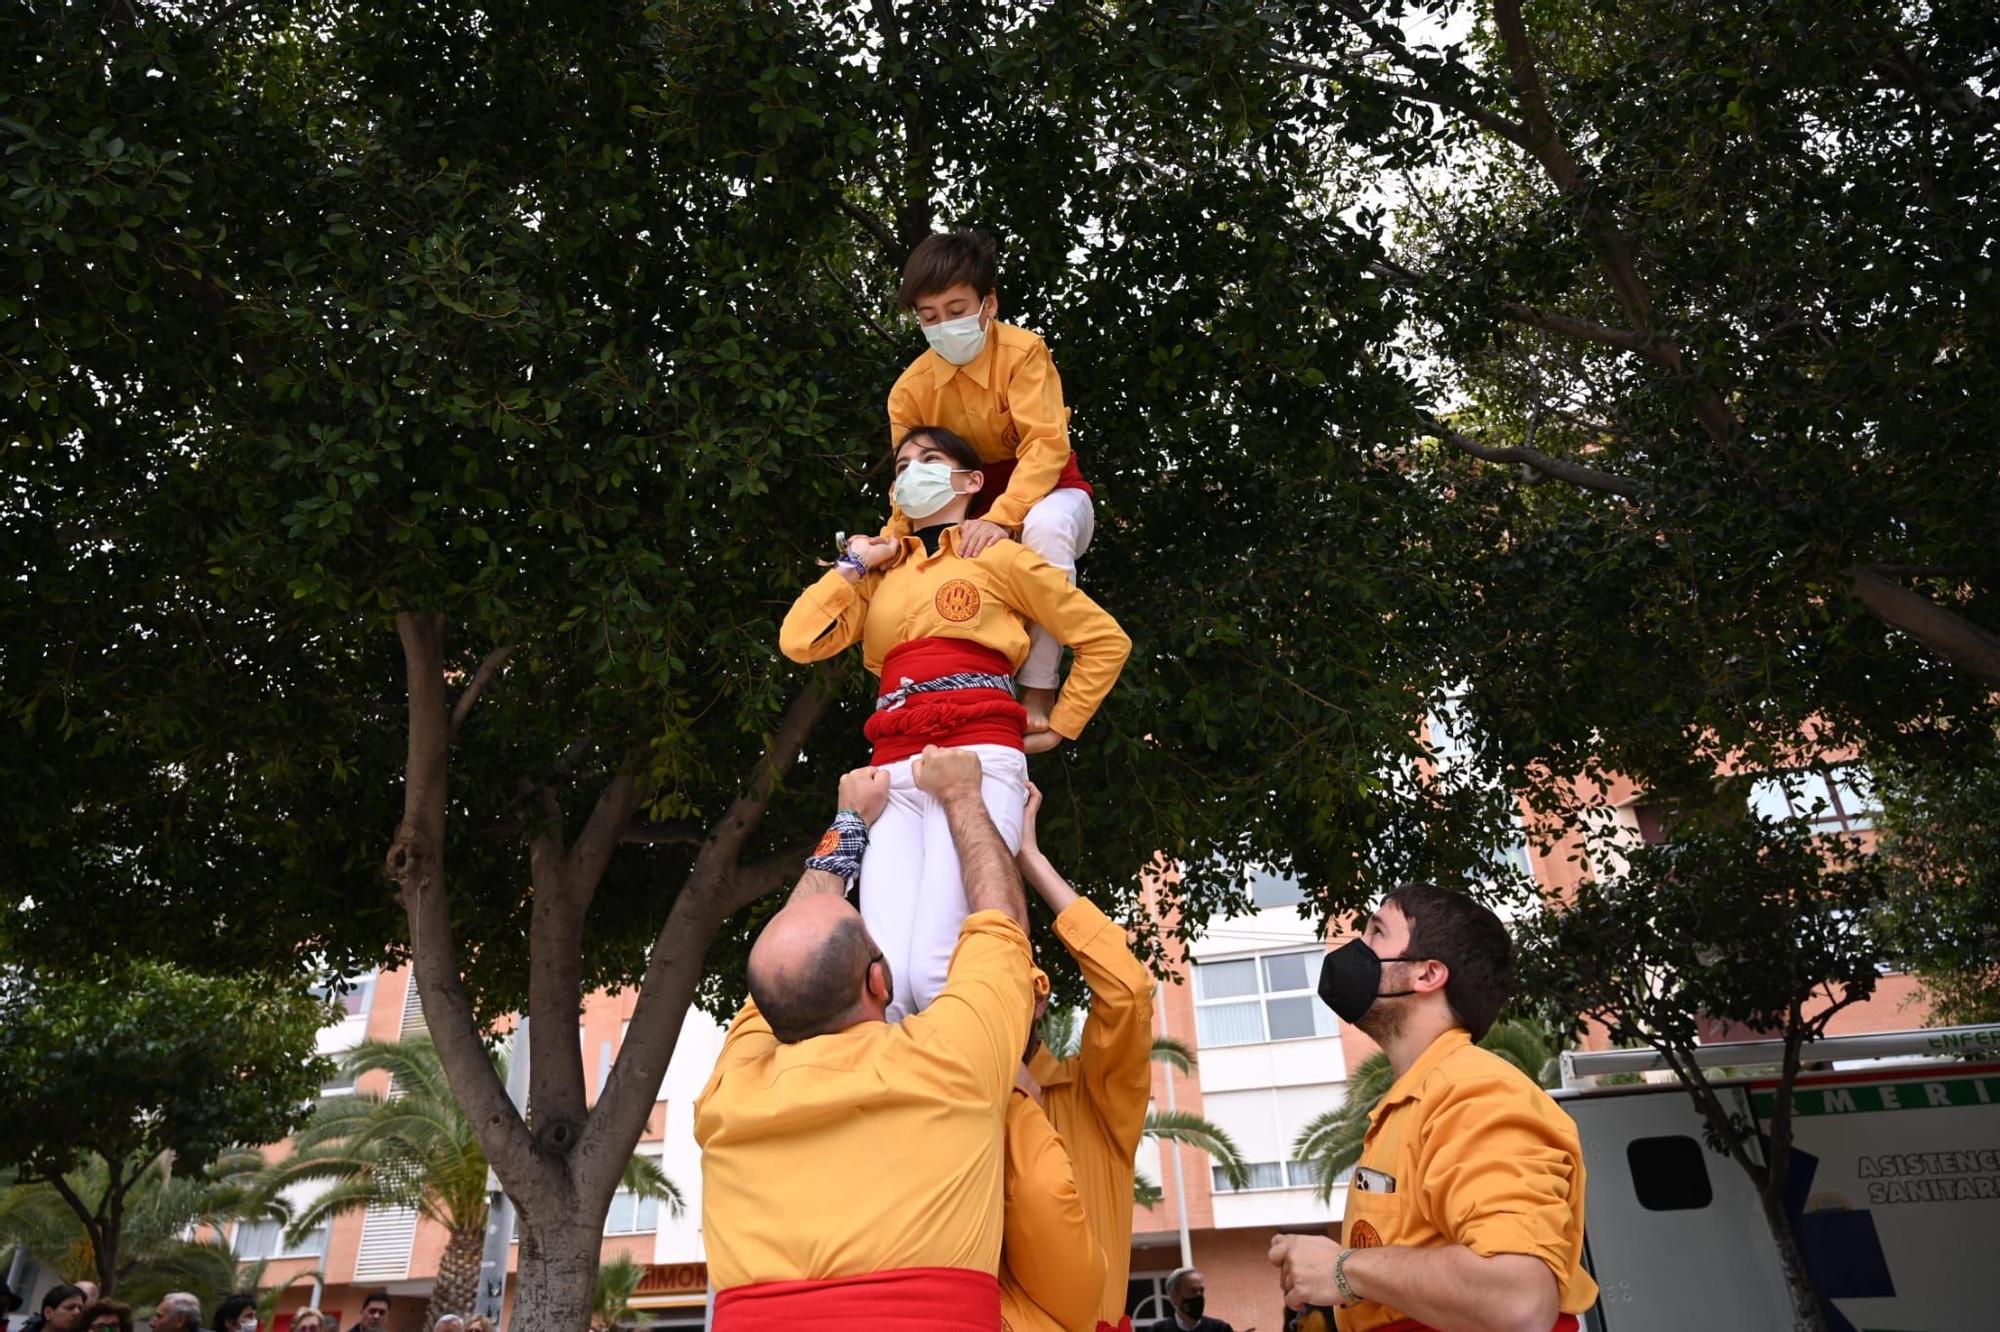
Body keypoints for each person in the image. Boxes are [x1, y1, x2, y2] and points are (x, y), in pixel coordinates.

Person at [783, 424, 1129, 1018]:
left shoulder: (999, 554)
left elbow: (1103, 639)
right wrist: (853, 563)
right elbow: (798, 640)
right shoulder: (880, 577)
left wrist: (1062, 722)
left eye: (929, 458)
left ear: (972, 482)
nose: (911, 470)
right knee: (886, 977)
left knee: (939, 968)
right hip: (890, 770)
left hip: (979, 755)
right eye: (902, 465)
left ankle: (984, 1091)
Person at [694, 750, 1040, 1327]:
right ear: (879, 981)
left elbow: (791, 955)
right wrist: (950, 800)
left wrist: (876, 817)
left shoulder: (729, 1095)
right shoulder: (949, 1063)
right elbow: (1000, 924)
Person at [1268, 884, 1598, 1332]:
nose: (1354, 949)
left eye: (1376, 933)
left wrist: (1345, 1270)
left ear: (1427, 975)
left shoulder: (1475, 1091)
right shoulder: (1416, 1101)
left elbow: (1518, 1300)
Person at [885, 228, 1097, 735]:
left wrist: (1002, 518)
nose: (944, 325)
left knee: (1045, 526)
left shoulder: (1024, 353)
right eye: (929, 317)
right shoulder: (908, 392)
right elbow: (911, 481)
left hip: (1051, 492)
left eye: (957, 310)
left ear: (989, 304)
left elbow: (1047, 445)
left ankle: (1040, 683)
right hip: (968, 510)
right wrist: (889, 543)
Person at [999, 783, 1155, 1332]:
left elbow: (1127, 993)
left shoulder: (1094, 1101)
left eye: (1006, 983)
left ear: (1039, 996)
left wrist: (1029, 857)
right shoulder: (932, 1097)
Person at [1149, 1268, 1232, 1332]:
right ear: (1175, 1296)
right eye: (1193, 1291)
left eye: (1201, 1291)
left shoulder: (1220, 1329)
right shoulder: (1157, 1330)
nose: (1199, 1296)